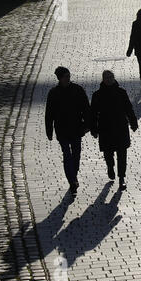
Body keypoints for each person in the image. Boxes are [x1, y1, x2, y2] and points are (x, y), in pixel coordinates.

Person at [45, 66, 91, 196]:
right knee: (67, 155)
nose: (68, 79)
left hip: (77, 128)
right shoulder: (53, 93)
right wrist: (49, 131)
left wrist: (88, 124)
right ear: (60, 78)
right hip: (62, 130)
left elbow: (86, 108)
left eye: (69, 76)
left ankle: (73, 175)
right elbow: (49, 114)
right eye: (65, 77)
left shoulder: (78, 89)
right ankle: (72, 181)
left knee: (76, 155)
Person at [91, 70, 138, 191]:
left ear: (114, 78)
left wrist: (133, 122)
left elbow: (128, 108)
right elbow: (93, 113)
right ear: (103, 79)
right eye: (107, 77)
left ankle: (121, 178)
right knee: (108, 153)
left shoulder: (121, 92)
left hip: (120, 127)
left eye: (111, 77)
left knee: (122, 154)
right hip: (105, 128)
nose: (109, 79)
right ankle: (110, 166)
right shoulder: (97, 95)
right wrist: (93, 129)